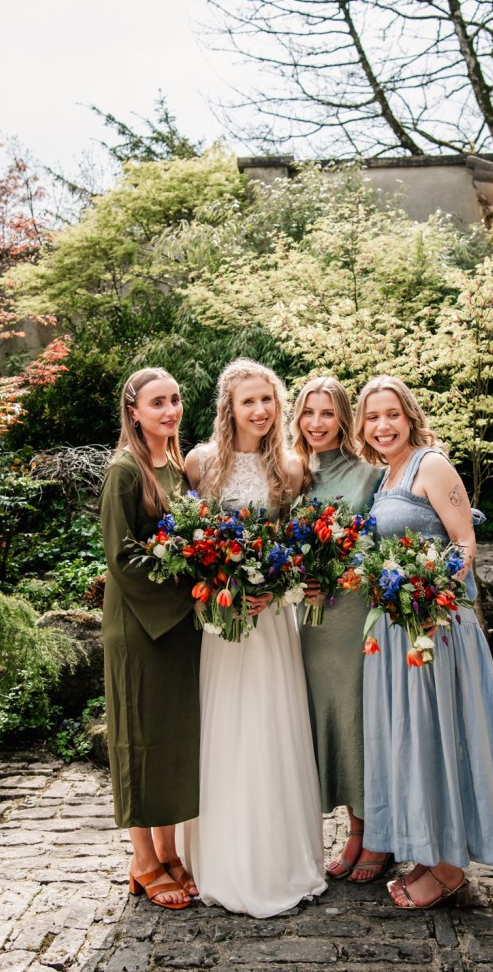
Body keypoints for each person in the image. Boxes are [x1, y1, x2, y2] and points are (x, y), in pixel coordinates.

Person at [353, 375, 493, 907]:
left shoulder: (431, 464)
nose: (383, 426)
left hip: (437, 629)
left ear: (409, 417)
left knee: (444, 737)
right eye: (372, 417)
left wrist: (433, 603)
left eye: (392, 415)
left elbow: (464, 541)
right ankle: (430, 853)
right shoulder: (386, 477)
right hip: (397, 630)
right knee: (417, 741)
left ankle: (450, 869)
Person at [180, 358, 327, 918]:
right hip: (221, 624)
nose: (261, 411)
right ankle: (219, 858)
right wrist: (217, 579)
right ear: (229, 408)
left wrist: (279, 581)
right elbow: (189, 539)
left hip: (269, 621)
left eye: (268, 400)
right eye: (249, 402)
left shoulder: (291, 468)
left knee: (271, 725)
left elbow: (295, 546)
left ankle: (278, 858)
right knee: (226, 727)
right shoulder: (201, 463)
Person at [100, 367, 201, 910]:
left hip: (179, 623)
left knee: (174, 737)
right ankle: (142, 861)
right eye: (157, 403)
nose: (170, 410)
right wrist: (193, 586)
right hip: (141, 624)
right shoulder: (124, 471)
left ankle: (169, 851)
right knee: (139, 738)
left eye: (176, 400)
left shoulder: (179, 469)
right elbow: (122, 557)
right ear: (134, 411)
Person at [291, 376, 383, 883]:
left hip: (352, 613)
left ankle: (369, 835)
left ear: (344, 419)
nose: (317, 422)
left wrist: (344, 570)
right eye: (309, 412)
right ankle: (352, 826)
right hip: (307, 618)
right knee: (325, 716)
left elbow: (381, 535)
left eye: (327, 413)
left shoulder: (368, 474)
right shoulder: (293, 473)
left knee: (356, 715)